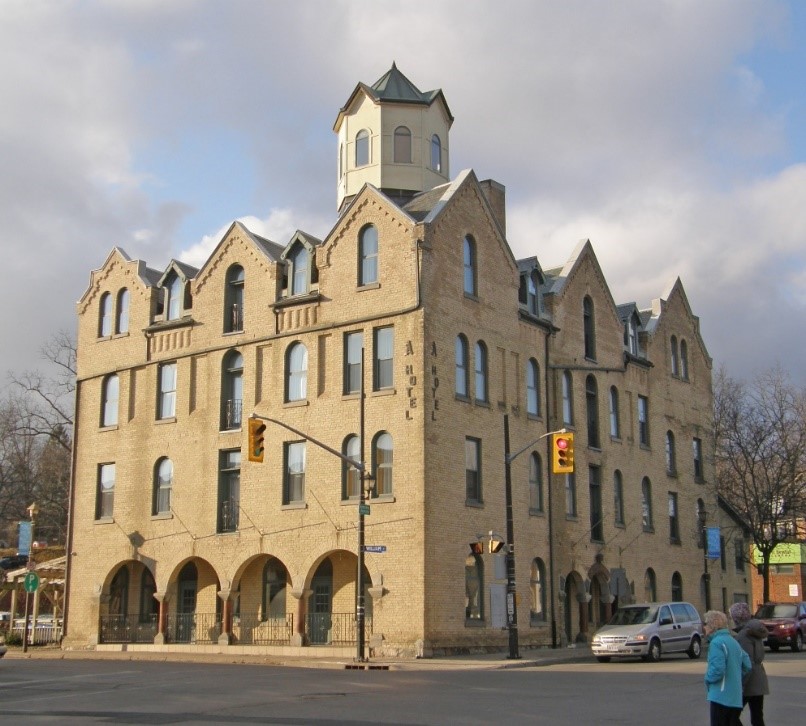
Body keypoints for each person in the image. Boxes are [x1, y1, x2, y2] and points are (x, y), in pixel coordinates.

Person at [704, 609, 752, 726]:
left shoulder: (716, 643)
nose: (704, 627)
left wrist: (707, 678)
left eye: (705, 624)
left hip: (720, 696)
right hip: (735, 697)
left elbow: (717, 670)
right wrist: (736, 678)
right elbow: (747, 665)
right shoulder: (733, 641)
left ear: (712, 626)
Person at [729, 602, 769, 726]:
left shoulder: (744, 635)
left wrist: (741, 684)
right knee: (757, 716)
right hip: (759, 679)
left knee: (731, 716)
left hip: (750, 682)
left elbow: (747, 663)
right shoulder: (754, 630)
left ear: (736, 618)